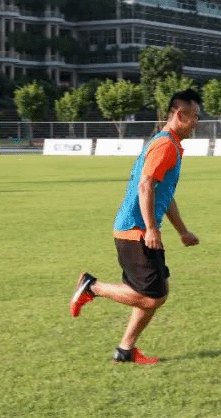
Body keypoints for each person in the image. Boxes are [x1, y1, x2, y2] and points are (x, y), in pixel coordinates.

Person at [69, 89, 203, 365]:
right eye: (195, 117)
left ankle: (125, 350)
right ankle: (92, 287)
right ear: (180, 115)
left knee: (157, 291)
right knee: (152, 297)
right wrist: (151, 229)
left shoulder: (171, 144)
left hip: (140, 228)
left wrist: (182, 231)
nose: (197, 123)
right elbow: (145, 186)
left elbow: (164, 194)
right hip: (135, 229)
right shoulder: (165, 145)